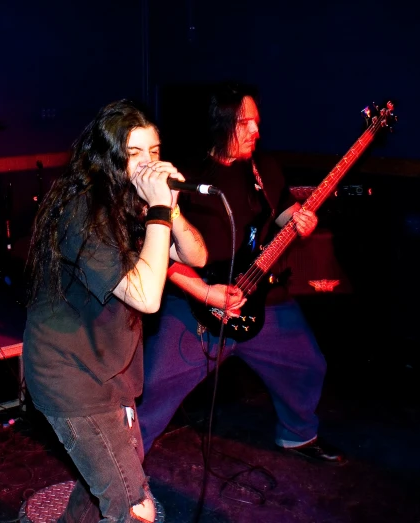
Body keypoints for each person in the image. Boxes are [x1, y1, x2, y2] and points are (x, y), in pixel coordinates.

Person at [137, 82, 345, 464]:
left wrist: (301, 221)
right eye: (244, 122)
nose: (256, 131)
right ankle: (123, 467)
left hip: (258, 296)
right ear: (219, 124)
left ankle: (298, 435)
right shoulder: (184, 173)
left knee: (308, 364)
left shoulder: (264, 168)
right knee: (154, 385)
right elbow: (156, 248)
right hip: (196, 302)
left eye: (257, 122)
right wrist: (203, 292)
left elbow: (282, 214)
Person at [23, 99, 208, 522]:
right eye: (135, 153)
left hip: (111, 370)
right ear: (108, 157)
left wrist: (170, 207)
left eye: (155, 151)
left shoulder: (134, 202)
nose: (148, 164)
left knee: (104, 484)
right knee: (132, 503)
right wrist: (159, 209)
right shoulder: (81, 213)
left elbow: (196, 255)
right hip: (68, 374)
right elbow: (147, 297)